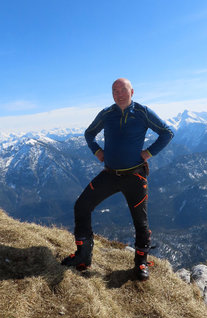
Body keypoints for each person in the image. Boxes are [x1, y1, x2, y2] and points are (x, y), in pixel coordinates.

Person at [61, 78, 174, 280]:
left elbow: (167, 133)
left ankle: (140, 263)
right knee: (81, 206)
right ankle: (83, 256)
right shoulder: (106, 114)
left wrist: (148, 152)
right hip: (110, 174)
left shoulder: (143, 112)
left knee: (141, 221)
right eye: (115, 90)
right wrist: (97, 151)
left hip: (135, 176)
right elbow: (89, 134)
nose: (118, 93)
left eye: (123, 90)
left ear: (132, 92)